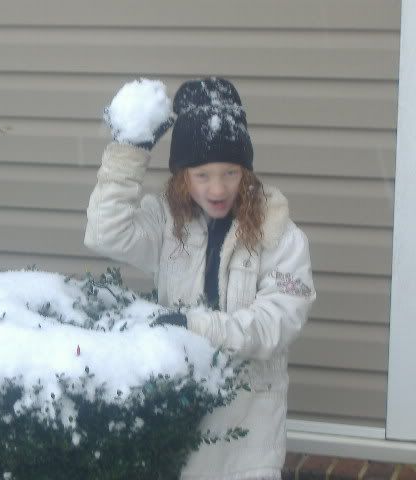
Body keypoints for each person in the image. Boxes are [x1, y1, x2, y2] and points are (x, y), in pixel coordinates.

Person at [84, 77, 316, 480]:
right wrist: (129, 154)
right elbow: (106, 233)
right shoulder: (166, 222)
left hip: (249, 439)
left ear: (245, 171)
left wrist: (195, 327)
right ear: (182, 176)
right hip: (182, 424)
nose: (218, 187)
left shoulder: (280, 235)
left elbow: (274, 326)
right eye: (203, 174)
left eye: (230, 171)